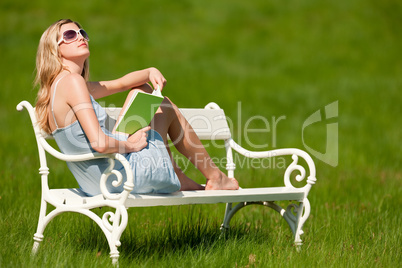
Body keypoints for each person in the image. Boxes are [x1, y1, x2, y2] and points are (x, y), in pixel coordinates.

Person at [34, 19, 239, 196]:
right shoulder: (72, 83)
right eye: (70, 35)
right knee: (165, 105)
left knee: (140, 90)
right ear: (54, 48)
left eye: (82, 33)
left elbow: (121, 83)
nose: (80, 37)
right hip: (116, 177)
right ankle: (215, 176)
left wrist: (149, 71)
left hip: (98, 180)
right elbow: (99, 142)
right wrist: (131, 145)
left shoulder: (61, 86)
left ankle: (177, 174)